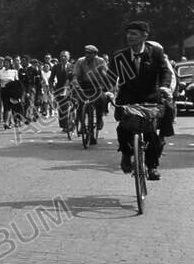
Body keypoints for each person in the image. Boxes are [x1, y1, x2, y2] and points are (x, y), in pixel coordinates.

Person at [108, 21, 173, 180]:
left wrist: (164, 87)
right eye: (128, 33)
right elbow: (110, 76)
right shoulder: (119, 55)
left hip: (150, 98)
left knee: (152, 134)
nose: (129, 37)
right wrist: (109, 91)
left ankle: (152, 166)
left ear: (145, 36)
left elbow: (165, 72)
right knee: (123, 129)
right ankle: (125, 154)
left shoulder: (156, 53)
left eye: (134, 34)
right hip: (127, 99)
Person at [71, 45, 109, 144]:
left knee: (102, 99)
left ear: (95, 54)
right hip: (84, 85)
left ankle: (99, 118)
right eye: (86, 53)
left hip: (97, 85)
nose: (87, 55)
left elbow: (104, 74)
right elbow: (75, 74)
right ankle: (82, 124)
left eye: (89, 53)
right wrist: (75, 82)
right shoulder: (80, 61)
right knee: (79, 104)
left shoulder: (100, 61)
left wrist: (106, 85)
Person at [50, 51, 74, 131]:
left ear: (68, 57)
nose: (63, 57)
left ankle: (72, 122)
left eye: (65, 56)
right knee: (62, 108)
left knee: (71, 107)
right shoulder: (56, 67)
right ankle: (64, 125)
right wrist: (51, 87)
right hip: (59, 89)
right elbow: (51, 78)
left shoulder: (73, 66)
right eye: (62, 56)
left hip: (71, 89)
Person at [0, 57, 19, 129]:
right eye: (5, 63)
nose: (6, 64)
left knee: (12, 106)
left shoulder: (14, 71)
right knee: (7, 107)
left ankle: (12, 122)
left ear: (10, 63)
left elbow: (17, 82)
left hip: (12, 91)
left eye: (7, 63)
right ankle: (7, 122)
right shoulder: (0, 71)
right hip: (4, 90)